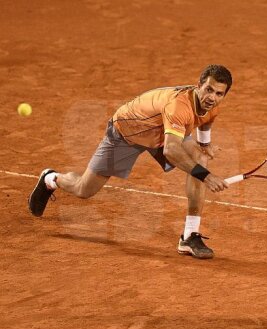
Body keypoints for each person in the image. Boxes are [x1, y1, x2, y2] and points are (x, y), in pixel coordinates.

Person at [28, 64, 232, 259]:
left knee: (199, 157)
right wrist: (207, 177)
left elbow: (206, 120)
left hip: (162, 131)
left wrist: (205, 146)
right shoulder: (179, 105)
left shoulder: (211, 105)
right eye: (208, 90)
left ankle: (189, 236)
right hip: (129, 131)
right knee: (84, 190)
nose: (212, 97)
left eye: (218, 93)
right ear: (198, 85)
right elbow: (171, 150)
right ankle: (51, 179)